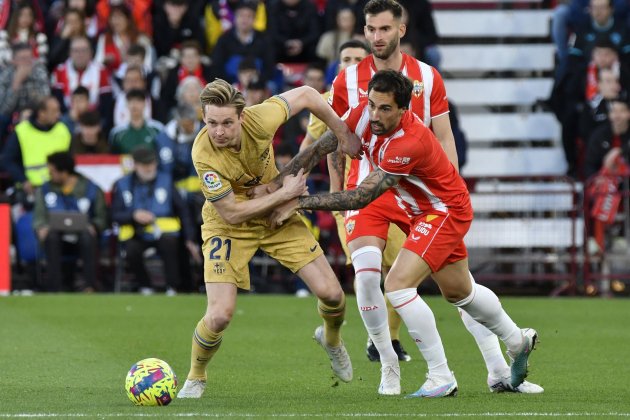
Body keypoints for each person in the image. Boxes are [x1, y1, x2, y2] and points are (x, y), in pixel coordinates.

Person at [270, 70, 539, 397]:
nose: (375, 115)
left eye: (384, 109)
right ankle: (516, 339)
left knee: (397, 285)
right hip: (421, 210)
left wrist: (298, 202)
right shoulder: (364, 115)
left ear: (403, 109)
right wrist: (274, 187)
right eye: (371, 105)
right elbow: (320, 148)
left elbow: (361, 196)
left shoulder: (408, 141)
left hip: (443, 211)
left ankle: (441, 376)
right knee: (460, 292)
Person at [324, 0, 542, 395]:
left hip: (420, 193)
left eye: (384, 29)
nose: (376, 37)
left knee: (455, 288)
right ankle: (389, 367)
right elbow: (338, 142)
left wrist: (446, 191)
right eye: (370, 29)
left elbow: (444, 137)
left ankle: (494, 369)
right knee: (370, 276)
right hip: (368, 192)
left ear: (401, 30)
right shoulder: (347, 82)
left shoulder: (426, 77)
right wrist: (338, 195)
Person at [176, 78, 357, 398]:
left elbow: (308, 94)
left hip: (276, 215)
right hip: (227, 226)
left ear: (243, 117)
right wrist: (283, 195)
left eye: (227, 123)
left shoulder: (261, 117)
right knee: (219, 315)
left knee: (333, 295)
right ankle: (196, 375)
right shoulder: (203, 154)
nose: (218, 131)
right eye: (211, 123)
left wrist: (342, 133)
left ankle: (330, 339)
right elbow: (231, 212)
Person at [297, 38, 412, 363]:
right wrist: (294, 182)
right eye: (345, 57)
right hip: (349, 199)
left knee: (397, 270)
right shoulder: (329, 100)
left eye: (356, 58)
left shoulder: (385, 100)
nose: (350, 63)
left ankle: (387, 339)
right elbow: (312, 143)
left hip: (393, 196)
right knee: (370, 271)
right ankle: (374, 340)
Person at [111, 145, 199, 295]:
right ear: (135, 165)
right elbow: (114, 214)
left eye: (152, 164)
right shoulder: (122, 184)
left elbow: (183, 210)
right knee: (131, 250)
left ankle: (172, 286)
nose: (149, 168)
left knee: (169, 243)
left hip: (164, 231)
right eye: (145, 165)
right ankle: (145, 286)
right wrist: (133, 215)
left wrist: (190, 238)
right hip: (137, 232)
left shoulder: (166, 181)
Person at [33, 151, 106, 292]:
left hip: (83, 239)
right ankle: (54, 288)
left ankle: (89, 286)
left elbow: (101, 216)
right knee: (51, 237)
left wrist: (95, 226)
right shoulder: (45, 189)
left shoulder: (90, 188)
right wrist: (41, 227)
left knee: (87, 236)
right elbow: (39, 215)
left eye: (52, 172)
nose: (50, 175)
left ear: (64, 172)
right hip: (56, 238)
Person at [2, 96, 71, 194]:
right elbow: (7, 160)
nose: (59, 114)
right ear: (42, 114)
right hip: (30, 189)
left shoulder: (63, 130)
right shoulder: (22, 131)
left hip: (60, 188)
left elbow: (71, 160)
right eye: (54, 111)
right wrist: (24, 181)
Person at [0, 42, 50, 141]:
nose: (27, 62)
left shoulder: (39, 71)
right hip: (11, 117)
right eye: (23, 59)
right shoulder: (5, 75)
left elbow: (45, 100)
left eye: (29, 58)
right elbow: (3, 109)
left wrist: (30, 111)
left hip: (35, 114)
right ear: (13, 61)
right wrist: (16, 84)